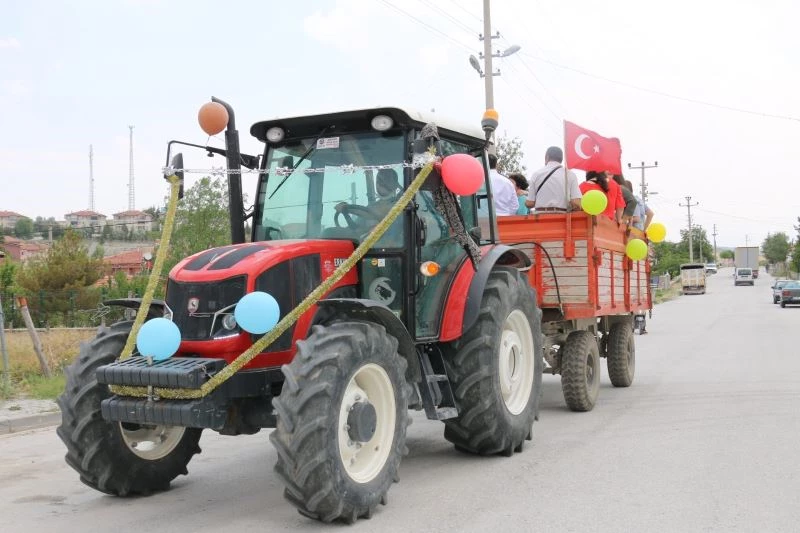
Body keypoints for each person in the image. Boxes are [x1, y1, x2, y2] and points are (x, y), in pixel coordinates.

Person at [526, 146, 582, 212]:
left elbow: (530, 203)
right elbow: (576, 203)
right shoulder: (570, 174)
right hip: (563, 218)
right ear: (561, 159)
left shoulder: (536, 174)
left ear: (547, 157)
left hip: (540, 217)